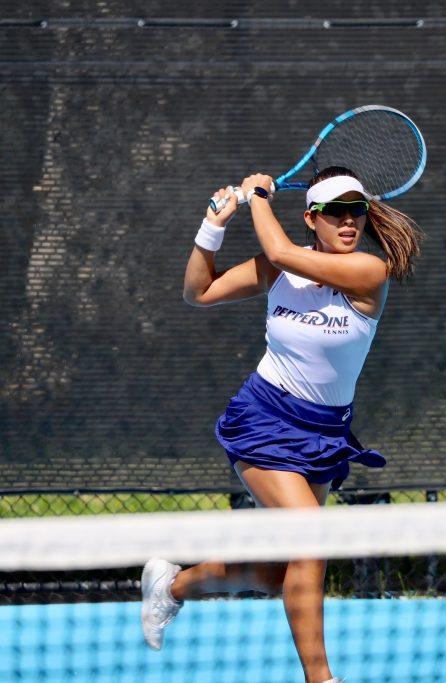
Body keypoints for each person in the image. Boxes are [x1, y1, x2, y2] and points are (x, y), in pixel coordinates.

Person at [141, 166, 424, 683]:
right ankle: (321, 679)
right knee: (311, 543)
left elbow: (279, 250)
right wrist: (213, 228)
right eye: (335, 211)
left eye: (355, 210)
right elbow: (198, 292)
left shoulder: (369, 272)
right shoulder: (281, 270)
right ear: (311, 218)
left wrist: (256, 197)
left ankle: (173, 586)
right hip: (264, 419)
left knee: (284, 572)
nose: (347, 221)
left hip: (324, 433)